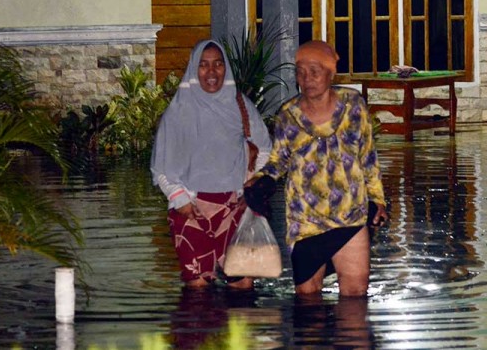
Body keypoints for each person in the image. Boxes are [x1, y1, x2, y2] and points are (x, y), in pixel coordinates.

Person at [245, 40, 388, 297]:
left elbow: (368, 156)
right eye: (300, 72)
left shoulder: (354, 105)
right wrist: (263, 180)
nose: (306, 78)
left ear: (330, 72)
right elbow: (279, 160)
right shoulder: (287, 114)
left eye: (314, 71)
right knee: (308, 297)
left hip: (349, 213)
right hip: (305, 220)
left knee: (355, 294)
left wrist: (377, 199)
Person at [151, 39, 272, 289]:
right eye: (204, 65)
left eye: (218, 64)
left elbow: (265, 149)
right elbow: (161, 167)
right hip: (189, 209)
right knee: (198, 289)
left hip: (233, 208)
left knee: (242, 284)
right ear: (194, 69)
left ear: (225, 68)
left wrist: (249, 183)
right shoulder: (178, 112)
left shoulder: (240, 107)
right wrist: (181, 200)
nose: (212, 72)